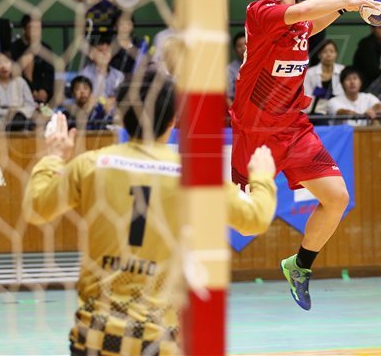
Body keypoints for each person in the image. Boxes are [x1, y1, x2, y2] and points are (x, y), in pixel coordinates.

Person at [23, 71, 278, 356]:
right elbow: (255, 219)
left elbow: (35, 209)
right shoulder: (194, 174)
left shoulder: (91, 165)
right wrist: (262, 177)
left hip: (96, 336)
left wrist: (53, 157)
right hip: (157, 341)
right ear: (173, 119)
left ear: (121, 116)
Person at [230, 0, 377, 310]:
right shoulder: (260, 14)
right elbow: (304, 12)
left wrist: (343, 7)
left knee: (337, 198)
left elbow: (310, 23)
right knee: (246, 223)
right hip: (255, 134)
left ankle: (300, 265)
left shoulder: (298, 27)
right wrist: (348, 2)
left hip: (293, 129)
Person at [0, 52, 37, 131]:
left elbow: (30, 105)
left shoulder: (20, 81)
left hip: (20, 118)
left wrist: (17, 113)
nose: (4, 66)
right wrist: (7, 112)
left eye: (6, 62)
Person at [10, 15, 56, 105]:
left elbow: (49, 73)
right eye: (32, 27)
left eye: (38, 28)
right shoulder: (14, 48)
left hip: (42, 91)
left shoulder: (46, 48)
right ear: (24, 29)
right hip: (21, 90)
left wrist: (44, 90)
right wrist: (31, 89)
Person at [79, 34, 125, 116]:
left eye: (107, 50)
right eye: (100, 50)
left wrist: (113, 100)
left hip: (113, 115)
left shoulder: (119, 76)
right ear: (91, 55)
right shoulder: (84, 74)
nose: (105, 53)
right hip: (91, 114)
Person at [303, 39, 344, 116]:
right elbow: (307, 96)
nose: (328, 54)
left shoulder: (343, 71)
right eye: (325, 52)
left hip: (339, 111)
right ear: (319, 55)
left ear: (336, 54)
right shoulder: (309, 73)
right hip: (316, 113)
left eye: (332, 51)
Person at [352, 22, 381, 90]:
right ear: (372, 28)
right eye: (380, 28)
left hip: (380, 81)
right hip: (366, 85)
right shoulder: (367, 45)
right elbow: (373, 72)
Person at [227, 31, 247, 107]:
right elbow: (228, 96)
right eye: (239, 46)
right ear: (235, 50)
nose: (243, 48)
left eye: (246, 45)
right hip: (238, 109)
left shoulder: (259, 64)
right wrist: (234, 113)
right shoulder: (230, 69)